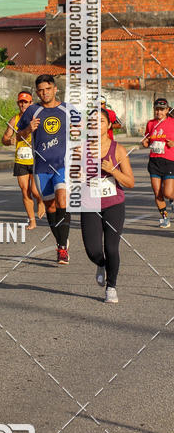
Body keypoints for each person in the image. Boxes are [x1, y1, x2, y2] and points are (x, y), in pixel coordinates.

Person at [17, 74, 79, 265]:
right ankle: (61, 241)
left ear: (55, 89)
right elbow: (19, 135)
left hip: (63, 164)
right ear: (37, 92)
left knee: (62, 200)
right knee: (51, 207)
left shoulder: (68, 109)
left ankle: (61, 248)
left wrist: (79, 134)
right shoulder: (32, 111)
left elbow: (84, 130)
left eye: (48, 89)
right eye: (41, 90)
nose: (44, 93)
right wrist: (29, 129)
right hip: (41, 166)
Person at [80, 109, 134, 303]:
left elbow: (130, 182)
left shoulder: (117, 149)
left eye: (101, 121)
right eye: (92, 122)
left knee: (111, 248)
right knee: (92, 250)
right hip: (89, 204)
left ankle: (111, 287)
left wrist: (113, 171)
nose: (96, 125)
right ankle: (101, 264)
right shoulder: (80, 149)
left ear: (108, 125)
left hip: (114, 204)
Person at [2, 90, 45, 229]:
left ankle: (40, 201)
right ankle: (32, 220)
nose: (23, 104)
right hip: (21, 159)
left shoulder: (37, 118)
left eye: (26, 102)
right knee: (24, 190)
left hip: (35, 159)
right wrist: (10, 141)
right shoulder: (14, 120)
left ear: (31, 103)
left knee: (35, 190)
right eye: (21, 102)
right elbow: (4, 139)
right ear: (18, 103)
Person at [142, 97, 174, 228]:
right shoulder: (150, 123)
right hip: (154, 161)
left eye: (162, 110)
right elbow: (147, 140)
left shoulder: (172, 122)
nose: (159, 112)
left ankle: (171, 200)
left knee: (167, 193)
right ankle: (165, 218)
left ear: (167, 110)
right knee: (157, 192)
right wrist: (145, 142)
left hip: (169, 161)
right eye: (157, 110)